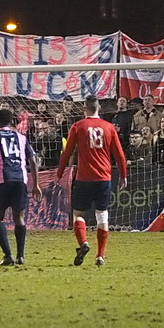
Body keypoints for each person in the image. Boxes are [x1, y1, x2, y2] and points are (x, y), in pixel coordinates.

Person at [56, 95, 127, 267]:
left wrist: (59, 173)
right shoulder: (109, 127)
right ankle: (100, 256)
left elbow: (68, 152)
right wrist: (124, 175)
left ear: (84, 110)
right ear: (99, 108)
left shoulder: (78, 126)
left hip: (84, 178)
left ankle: (83, 243)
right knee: (102, 215)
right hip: (104, 178)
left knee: (79, 214)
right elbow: (119, 154)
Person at [0, 109, 42, 265]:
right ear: (11, 121)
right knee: (19, 218)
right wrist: (36, 184)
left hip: (1, 181)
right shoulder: (21, 137)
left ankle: (8, 255)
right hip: (20, 180)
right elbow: (33, 161)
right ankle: (21, 256)